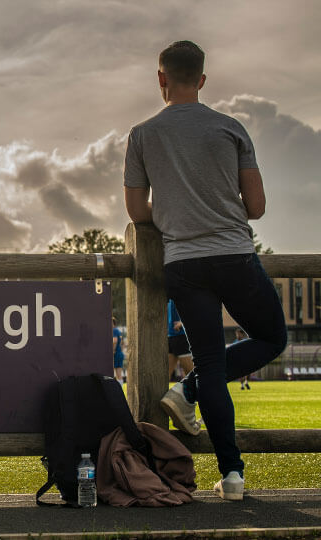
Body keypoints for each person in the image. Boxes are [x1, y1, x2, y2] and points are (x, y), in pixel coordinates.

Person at [123, 40, 287, 501]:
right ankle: (190, 396)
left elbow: (138, 211)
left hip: (183, 263)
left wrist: (178, 212)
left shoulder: (141, 135)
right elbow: (255, 207)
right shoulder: (231, 128)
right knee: (273, 337)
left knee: (211, 365)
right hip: (233, 255)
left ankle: (231, 472)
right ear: (202, 79)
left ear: (161, 79)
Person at [167, 300, 194, 380]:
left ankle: (202, 392)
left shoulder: (185, 290)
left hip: (182, 336)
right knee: (164, 375)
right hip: (170, 336)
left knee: (191, 373)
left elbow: (198, 308)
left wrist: (182, 322)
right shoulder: (168, 293)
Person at [112, 317, 125, 382]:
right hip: (120, 354)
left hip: (117, 354)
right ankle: (121, 390)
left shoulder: (114, 330)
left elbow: (115, 341)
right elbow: (123, 343)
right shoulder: (118, 331)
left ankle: (120, 390)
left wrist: (113, 351)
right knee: (119, 374)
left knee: (118, 375)